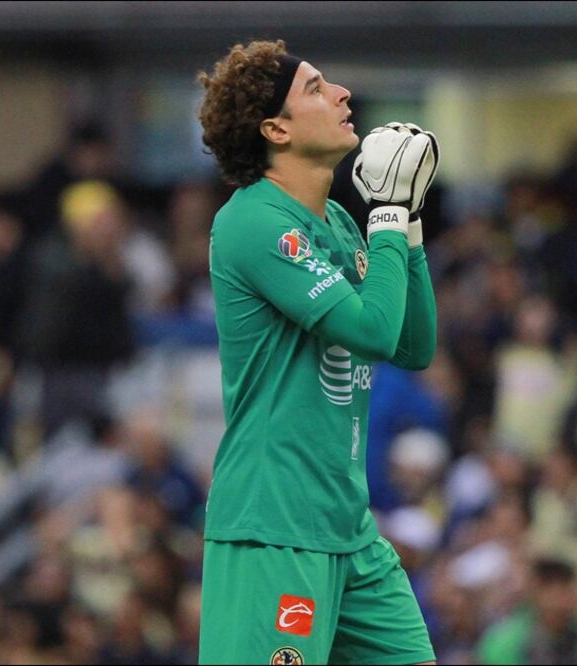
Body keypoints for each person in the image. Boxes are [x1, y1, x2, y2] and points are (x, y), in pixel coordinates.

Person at [196, 40, 439, 664]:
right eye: (315, 87)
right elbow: (371, 333)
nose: (341, 94)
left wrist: (405, 225)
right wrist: (385, 212)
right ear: (275, 128)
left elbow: (412, 346)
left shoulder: (335, 219)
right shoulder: (251, 221)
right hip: (274, 526)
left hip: (348, 530)